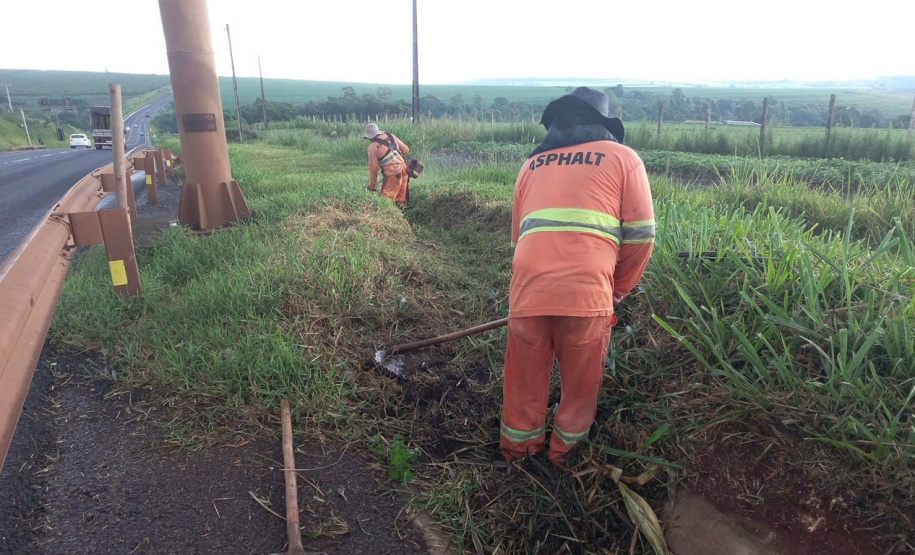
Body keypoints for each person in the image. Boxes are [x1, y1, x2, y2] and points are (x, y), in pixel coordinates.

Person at [500, 87, 655, 466]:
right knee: (580, 386)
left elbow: (519, 240)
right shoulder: (624, 158)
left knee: (523, 383)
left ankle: (518, 454)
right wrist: (618, 289)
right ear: (603, 122)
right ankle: (564, 458)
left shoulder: (531, 165)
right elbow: (641, 236)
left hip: (528, 289)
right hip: (587, 293)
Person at [363, 123, 411, 207]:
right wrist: (397, 159)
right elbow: (406, 149)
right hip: (404, 168)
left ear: (369, 137)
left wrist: (372, 185)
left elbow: (373, 168)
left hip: (392, 172)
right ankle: (402, 211)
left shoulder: (372, 147)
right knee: (401, 200)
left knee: (385, 201)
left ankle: (388, 214)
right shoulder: (390, 135)